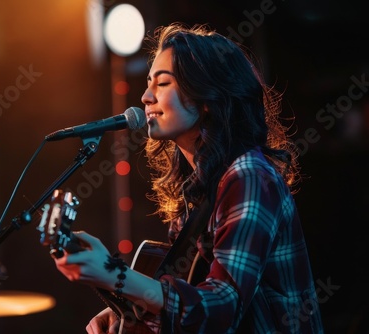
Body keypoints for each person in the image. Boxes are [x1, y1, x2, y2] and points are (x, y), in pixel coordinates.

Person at [53, 22, 324, 333]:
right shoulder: (200, 187)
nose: (145, 97)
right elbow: (185, 298)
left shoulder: (249, 176)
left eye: (163, 83)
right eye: (148, 82)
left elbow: (222, 307)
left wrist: (116, 275)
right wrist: (124, 308)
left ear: (206, 97)